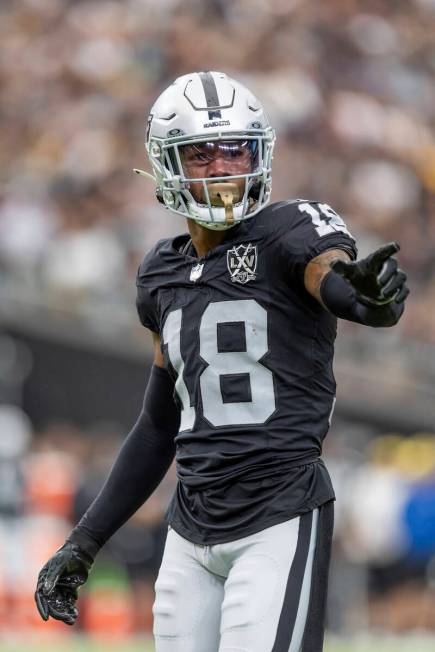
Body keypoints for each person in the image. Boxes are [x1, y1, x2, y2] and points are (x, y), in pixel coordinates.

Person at [34, 71, 409, 651]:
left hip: (278, 514)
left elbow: (334, 278)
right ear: (167, 164)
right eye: (202, 153)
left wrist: (366, 298)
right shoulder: (159, 273)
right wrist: (84, 540)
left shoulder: (288, 230)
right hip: (189, 528)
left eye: (237, 149)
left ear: (260, 154)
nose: (222, 167)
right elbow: (159, 424)